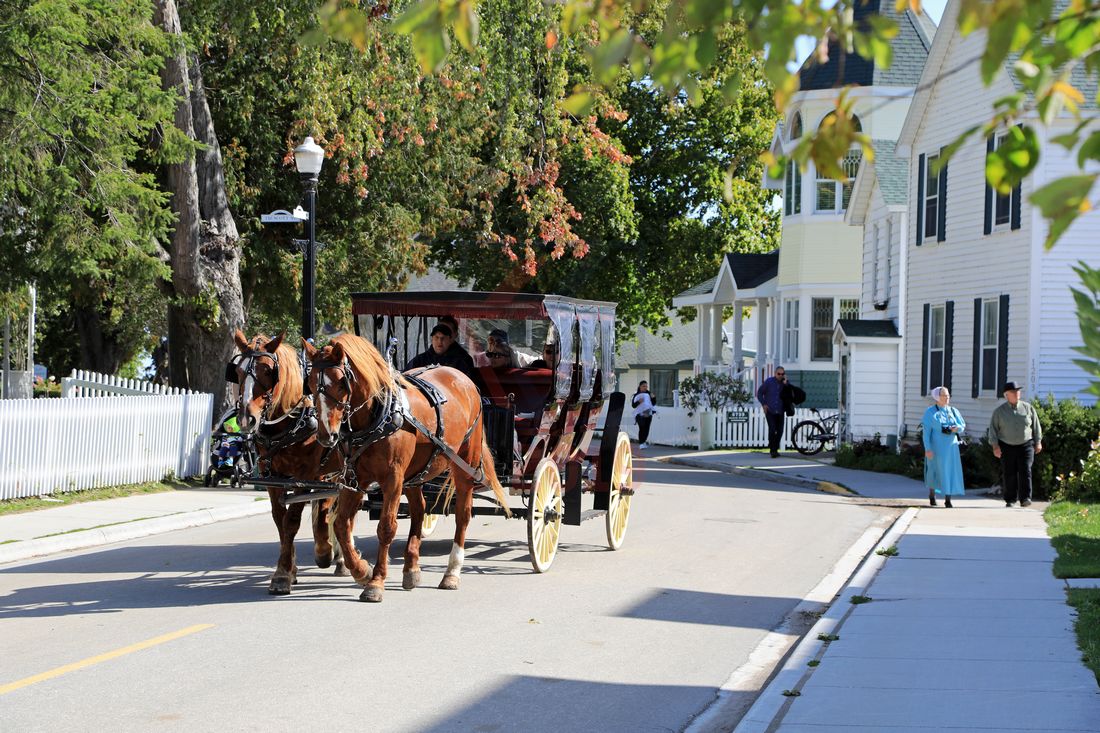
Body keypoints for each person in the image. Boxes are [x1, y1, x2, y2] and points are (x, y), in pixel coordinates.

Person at [988, 380, 1043, 507]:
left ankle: (1025, 498)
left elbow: (1036, 426)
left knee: (1026, 470)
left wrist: (1038, 442)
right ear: (1006, 395)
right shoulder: (999, 412)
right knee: (1009, 472)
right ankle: (1010, 499)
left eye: (1018, 391)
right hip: (1006, 445)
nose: (1017, 393)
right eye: (1013, 391)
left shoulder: (1028, 408)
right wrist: (995, 446)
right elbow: (993, 430)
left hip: (1026, 444)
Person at [921, 386, 966, 508]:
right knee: (934, 471)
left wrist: (957, 428)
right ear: (937, 397)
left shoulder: (953, 411)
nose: (947, 398)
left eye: (948, 395)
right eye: (944, 395)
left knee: (949, 472)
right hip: (936, 448)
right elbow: (926, 433)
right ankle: (932, 494)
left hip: (951, 448)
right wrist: (927, 449)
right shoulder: (930, 412)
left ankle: (948, 499)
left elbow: (962, 425)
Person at [404, 323, 476, 379]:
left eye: (443, 338)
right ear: (432, 339)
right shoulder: (420, 360)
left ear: (450, 340)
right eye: (436, 337)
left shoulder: (459, 362)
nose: (439, 341)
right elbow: (405, 376)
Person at [756, 367, 788, 458]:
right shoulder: (769, 382)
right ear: (775, 373)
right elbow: (759, 393)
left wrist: (786, 384)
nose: (780, 376)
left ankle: (774, 447)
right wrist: (764, 404)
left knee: (780, 431)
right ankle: (773, 450)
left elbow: (790, 393)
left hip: (781, 410)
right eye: (779, 374)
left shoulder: (785, 383)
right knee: (772, 429)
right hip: (770, 410)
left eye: (782, 374)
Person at [632, 381, 656, 449]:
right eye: (643, 386)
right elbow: (633, 405)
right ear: (640, 386)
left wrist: (653, 398)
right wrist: (638, 402)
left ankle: (643, 441)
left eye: (646, 386)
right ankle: (641, 443)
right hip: (640, 415)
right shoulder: (636, 394)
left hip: (648, 414)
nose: (645, 387)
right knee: (642, 428)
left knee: (646, 429)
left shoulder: (649, 393)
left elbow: (653, 403)